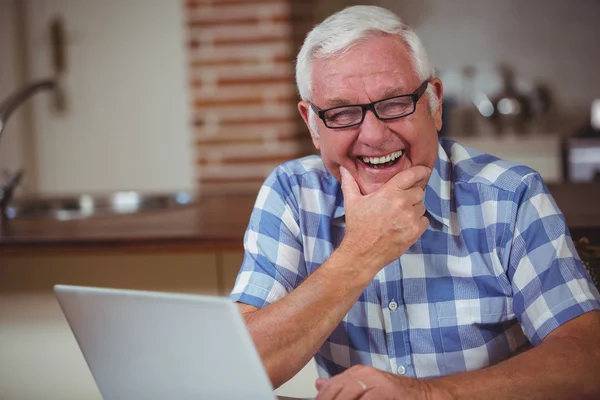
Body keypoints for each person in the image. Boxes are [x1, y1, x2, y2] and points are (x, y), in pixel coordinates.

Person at [230, 5, 600, 400]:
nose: (372, 136)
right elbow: (235, 367)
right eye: (341, 113)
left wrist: (425, 395)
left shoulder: (511, 196)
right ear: (312, 124)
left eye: (394, 103)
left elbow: (587, 361)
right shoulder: (291, 192)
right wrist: (359, 255)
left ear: (434, 103)